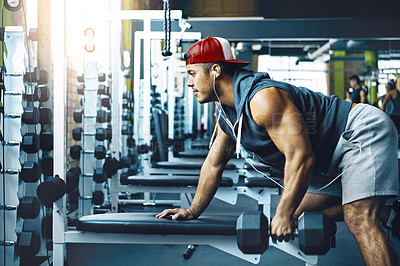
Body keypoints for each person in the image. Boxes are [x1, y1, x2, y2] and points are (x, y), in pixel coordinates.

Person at [156, 37, 400, 265]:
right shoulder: (226, 115)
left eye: (192, 74)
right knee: (298, 212)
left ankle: (369, 207)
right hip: (331, 154)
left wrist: (283, 212)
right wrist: (192, 210)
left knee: (358, 218)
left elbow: (301, 156)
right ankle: (385, 210)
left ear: (216, 71)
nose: (189, 82)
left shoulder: (262, 99)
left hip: (360, 130)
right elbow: (214, 164)